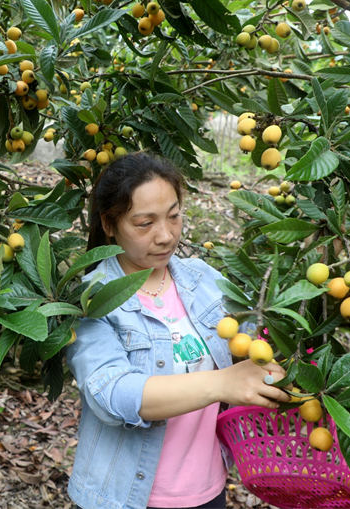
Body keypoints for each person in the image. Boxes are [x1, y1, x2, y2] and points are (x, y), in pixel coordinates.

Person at [66, 152, 289, 509]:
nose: (166, 236)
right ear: (109, 224)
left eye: (174, 216)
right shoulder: (92, 298)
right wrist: (222, 383)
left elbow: (259, 332)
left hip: (207, 491)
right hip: (126, 497)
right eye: (144, 223)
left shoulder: (203, 279)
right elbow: (112, 395)